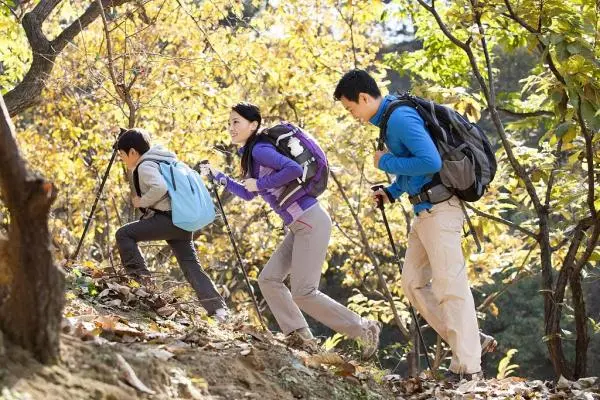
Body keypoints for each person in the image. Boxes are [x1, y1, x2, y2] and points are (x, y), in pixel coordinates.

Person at [334, 69, 497, 381]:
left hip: (440, 210)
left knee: (451, 287)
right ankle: (471, 341)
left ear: (365, 98)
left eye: (350, 107)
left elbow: (431, 161)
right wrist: (392, 191)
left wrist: (385, 163)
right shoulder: (389, 119)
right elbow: (415, 170)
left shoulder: (399, 118)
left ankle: (468, 367)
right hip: (424, 211)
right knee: (412, 282)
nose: (351, 114)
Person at [200, 102, 381, 358]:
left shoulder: (261, 149)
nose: (231, 127)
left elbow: (293, 169)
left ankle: (363, 329)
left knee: (304, 292)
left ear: (253, 125)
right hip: (300, 224)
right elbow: (249, 192)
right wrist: (218, 176)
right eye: (229, 122)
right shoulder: (253, 155)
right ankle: (301, 338)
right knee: (269, 279)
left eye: (236, 122)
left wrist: (260, 182)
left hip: (309, 220)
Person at [115, 128, 229, 322]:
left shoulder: (144, 166)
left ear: (133, 152)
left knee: (124, 234)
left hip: (168, 219)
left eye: (122, 155)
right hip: (183, 220)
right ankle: (219, 310)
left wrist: (140, 202)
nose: (122, 159)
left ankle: (142, 287)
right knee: (191, 266)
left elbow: (160, 187)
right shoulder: (166, 159)